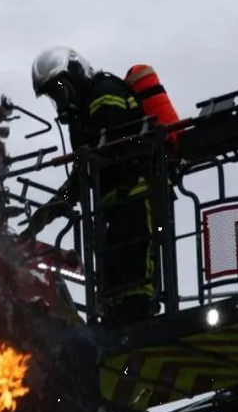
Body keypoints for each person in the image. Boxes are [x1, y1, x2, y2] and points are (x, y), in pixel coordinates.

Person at [26, 46, 159, 327]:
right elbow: (82, 174)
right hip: (112, 201)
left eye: (60, 89)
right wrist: (48, 212)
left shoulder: (103, 92)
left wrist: (60, 200)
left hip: (137, 188)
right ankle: (115, 309)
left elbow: (108, 146)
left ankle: (138, 307)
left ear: (76, 73)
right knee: (113, 260)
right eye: (53, 94)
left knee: (134, 251)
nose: (60, 99)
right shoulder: (82, 116)